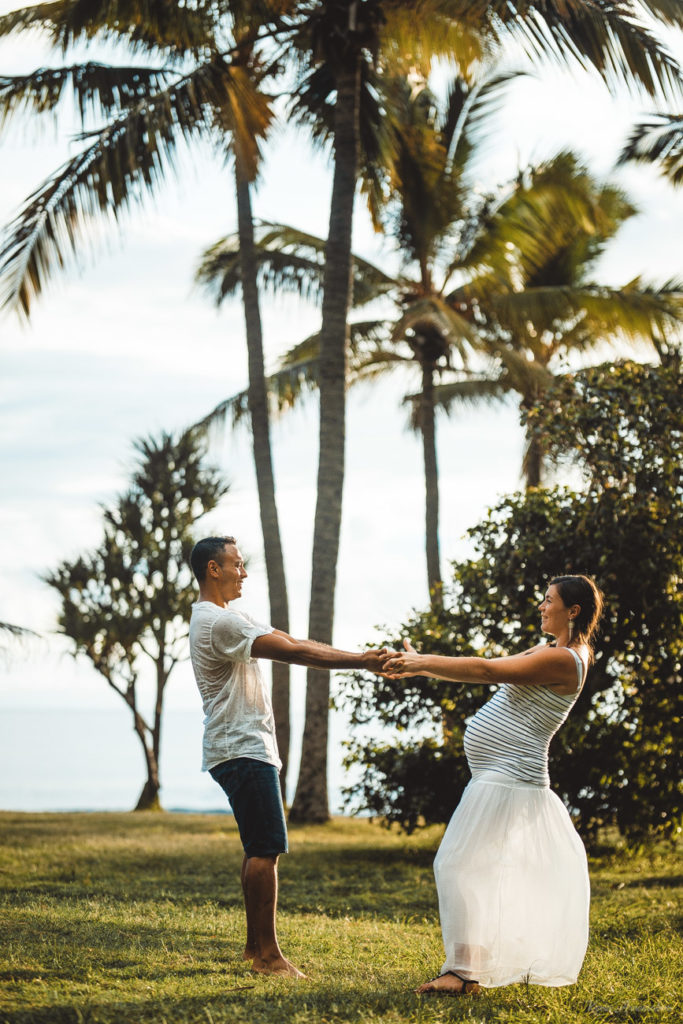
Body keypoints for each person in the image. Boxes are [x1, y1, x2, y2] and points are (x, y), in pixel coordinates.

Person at [381, 574, 604, 996]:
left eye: (548, 600)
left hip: (510, 774)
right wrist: (422, 662)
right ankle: (466, 971)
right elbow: (485, 666)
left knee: (456, 864)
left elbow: (486, 670)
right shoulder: (551, 650)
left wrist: (422, 664)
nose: (541, 606)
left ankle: (462, 972)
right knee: (469, 867)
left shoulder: (566, 660)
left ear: (572, 611)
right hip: (497, 773)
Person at [188, 535, 388, 979]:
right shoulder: (219, 623)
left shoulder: (225, 617)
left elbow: (289, 638)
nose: (243, 572)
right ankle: (268, 957)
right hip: (242, 747)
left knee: (256, 847)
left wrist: (362, 657)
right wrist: (363, 661)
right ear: (212, 570)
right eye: (236, 565)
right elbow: (296, 652)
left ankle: (253, 947)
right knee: (265, 849)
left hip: (238, 746)